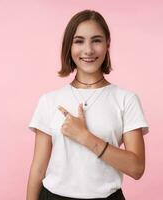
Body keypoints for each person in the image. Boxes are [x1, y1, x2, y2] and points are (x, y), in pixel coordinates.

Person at [26, 10, 149, 200]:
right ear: (69, 46)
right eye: (79, 41)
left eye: (96, 40)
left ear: (108, 44)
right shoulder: (49, 100)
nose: (88, 50)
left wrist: (84, 136)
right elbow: (38, 169)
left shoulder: (126, 99)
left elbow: (136, 168)